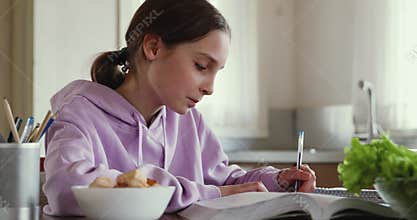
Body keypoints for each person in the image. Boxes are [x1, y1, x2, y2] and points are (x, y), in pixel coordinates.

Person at [43, 0, 316, 216]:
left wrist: (278, 180)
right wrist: (207, 194)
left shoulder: (188, 121)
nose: (210, 87)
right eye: (201, 66)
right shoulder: (79, 111)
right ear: (153, 47)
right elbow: (68, 188)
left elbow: (223, 181)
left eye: (216, 72)